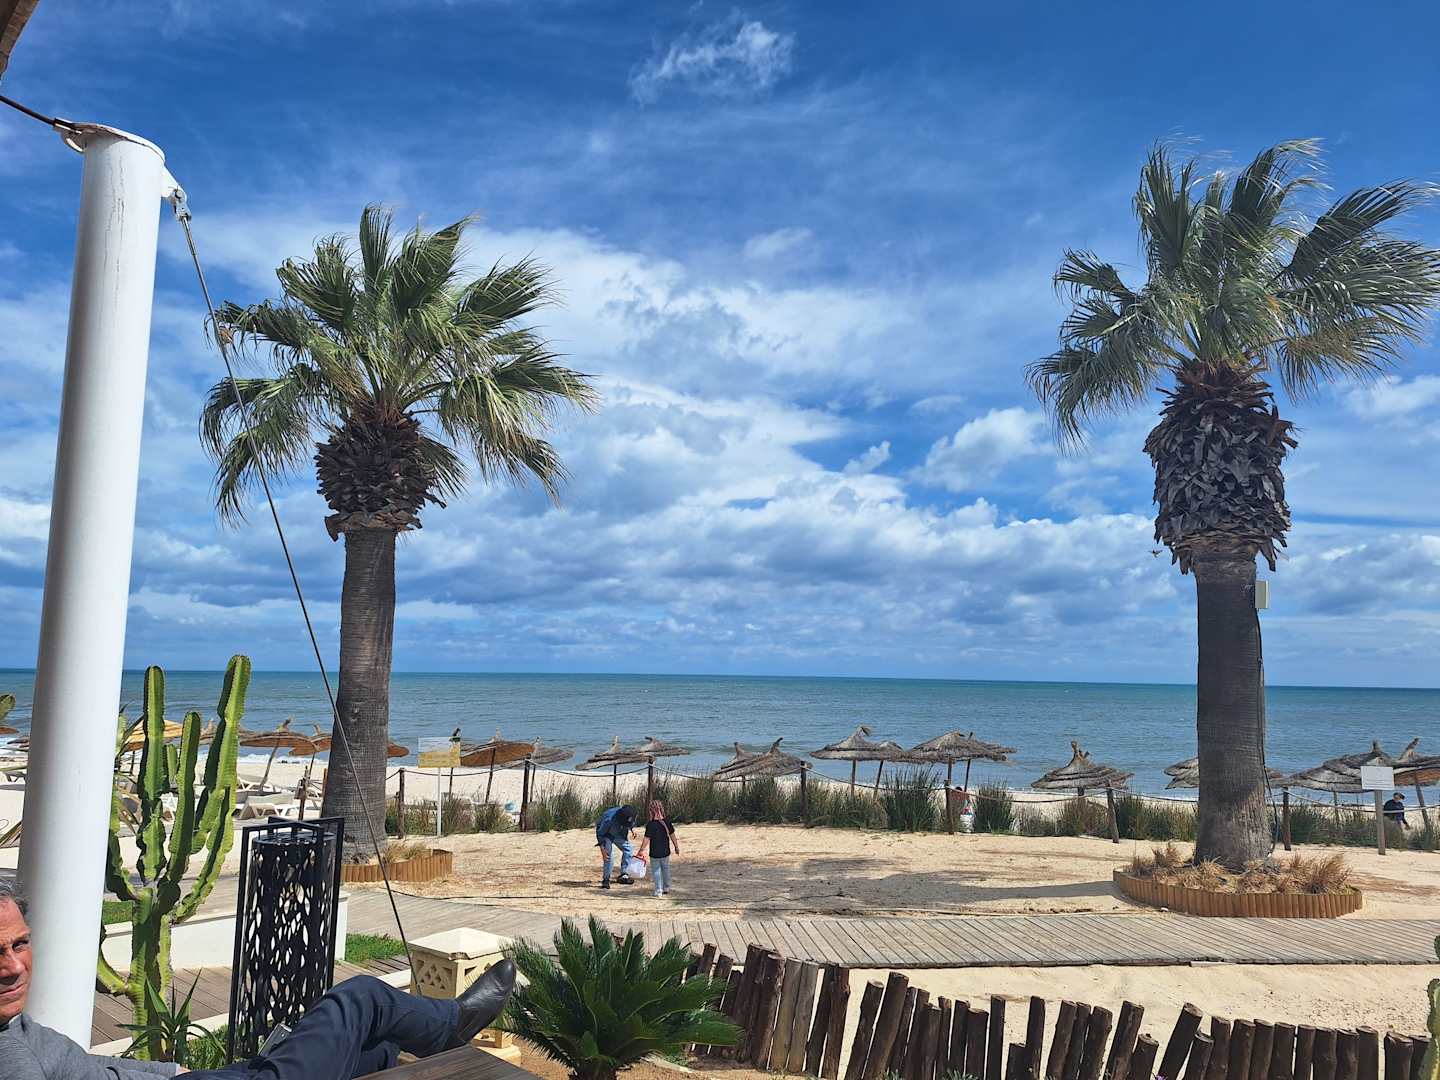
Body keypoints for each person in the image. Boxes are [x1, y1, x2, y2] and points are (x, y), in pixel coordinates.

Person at [0, 879, 514, 1079]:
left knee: (375, 1052)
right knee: (359, 1000)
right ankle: (449, 1024)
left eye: (19, 944)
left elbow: (90, 1068)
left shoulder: (16, 1031)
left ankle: (435, 1033)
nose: (14, 967)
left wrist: (172, 1071)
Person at [637, 800, 680, 899]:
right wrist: (676, 847)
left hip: (654, 852)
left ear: (651, 811)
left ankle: (658, 890)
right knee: (665, 868)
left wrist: (641, 850)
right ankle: (666, 887)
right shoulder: (667, 822)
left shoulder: (650, 824)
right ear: (661, 809)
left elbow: (646, 839)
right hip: (665, 851)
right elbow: (673, 836)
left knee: (656, 870)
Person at [594, 804, 637, 890]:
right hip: (606, 834)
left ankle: (624, 874)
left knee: (628, 850)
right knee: (608, 856)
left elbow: (630, 823)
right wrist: (602, 848)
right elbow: (600, 834)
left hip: (618, 834)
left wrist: (632, 830)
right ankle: (606, 880)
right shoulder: (608, 819)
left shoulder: (629, 814)